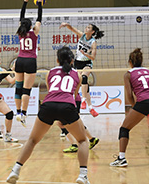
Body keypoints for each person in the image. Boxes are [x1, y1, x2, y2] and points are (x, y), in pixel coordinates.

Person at [7, 46, 90, 184]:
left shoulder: (50, 72)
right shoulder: (77, 75)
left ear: (57, 59)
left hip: (48, 105)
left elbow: (52, 91)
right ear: (72, 61)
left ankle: (15, 170)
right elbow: (73, 96)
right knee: (82, 141)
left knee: (32, 140)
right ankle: (83, 175)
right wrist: (65, 119)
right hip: (67, 106)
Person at [59, 22, 104, 117]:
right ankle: (91, 107)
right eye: (86, 27)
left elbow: (93, 57)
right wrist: (66, 24)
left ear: (92, 32)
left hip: (87, 62)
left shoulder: (93, 42)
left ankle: (83, 101)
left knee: (84, 78)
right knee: (82, 85)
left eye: (88, 28)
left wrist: (85, 54)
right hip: (77, 62)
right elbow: (72, 28)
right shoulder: (81, 36)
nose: (86, 28)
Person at [14, 0, 44, 127]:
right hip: (30, 61)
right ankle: (24, 114)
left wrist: (25, 2)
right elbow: (39, 17)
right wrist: (39, 4)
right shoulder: (34, 32)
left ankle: (18, 112)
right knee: (26, 90)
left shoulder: (21, 32)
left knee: (18, 88)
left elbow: (21, 17)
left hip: (19, 60)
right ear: (31, 25)